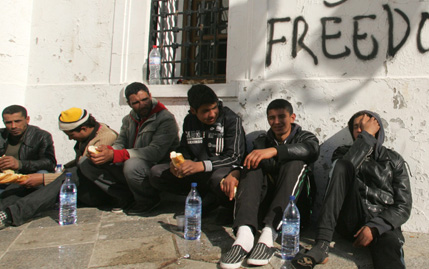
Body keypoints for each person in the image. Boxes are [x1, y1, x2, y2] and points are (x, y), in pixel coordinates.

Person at [291, 110, 412, 269]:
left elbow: (403, 206)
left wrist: (375, 227)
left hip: (382, 221)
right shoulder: (342, 153)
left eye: (365, 126)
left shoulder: (394, 160)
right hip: (350, 218)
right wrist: (366, 138)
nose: (361, 130)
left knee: (389, 250)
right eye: (357, 127)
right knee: (342, 166)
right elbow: (343, 170)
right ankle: (321, 245)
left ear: (378, 129)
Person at [220, 99, 319, 269]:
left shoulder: (305, 137)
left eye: (282, 117)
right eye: (272, 118)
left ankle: (268, 237)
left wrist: (275, 151)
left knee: (295, 163)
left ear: (292, 117)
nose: (277, 122)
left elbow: (312, 150)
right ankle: (244, 236)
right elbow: (247, 162)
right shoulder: (261, 142)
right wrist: (235, 172)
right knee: (253, 165)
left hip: (294, 214)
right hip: (264, 208)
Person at [0, 107, 117, 229]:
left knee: (68, 176)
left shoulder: (105, 138)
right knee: (24, 183)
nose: (70, 139)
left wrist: (43, 178)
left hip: (103, 192)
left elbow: (82, 168)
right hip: (84, 183)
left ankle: (11, 215)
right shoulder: (91, 132)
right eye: (8, 122)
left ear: (84, 129)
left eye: (71, 135)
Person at [80, 82, 180, 215]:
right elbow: (121, 143)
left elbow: (155, 152)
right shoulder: (128, 119)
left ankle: (148, 200)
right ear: (129, 103)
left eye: (145, 99)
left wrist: (115, 155)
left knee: (132, 164)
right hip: (131, 164)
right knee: (85, 162)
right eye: (136, 102)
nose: (142, 104)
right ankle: (124, 196)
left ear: (150, 96)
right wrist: (107, 151)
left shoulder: (165, 119)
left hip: (156, 167)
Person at [150, 84, 246, 209]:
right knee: (156, 172)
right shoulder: (189, 121)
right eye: (205, 111)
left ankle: (215, 202)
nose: (212, 114)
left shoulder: (231, 119)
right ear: (193, 110)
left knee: (219, 179)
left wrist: (201, 165)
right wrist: (177, 163)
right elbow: (185, 149)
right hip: (195, 175)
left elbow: (234, 157)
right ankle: (198, 197)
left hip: (218, 171)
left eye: (214, 108)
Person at [0, 105, 56, 175]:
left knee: (42, 173)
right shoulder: (1, 135)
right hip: (4, 177)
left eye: (17, 121)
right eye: (8, 123)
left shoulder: (41, 136)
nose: (13, 126)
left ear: (27, 119)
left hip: (29, 177)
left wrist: (20, 164)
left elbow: (50, 163)